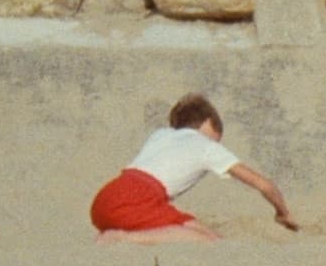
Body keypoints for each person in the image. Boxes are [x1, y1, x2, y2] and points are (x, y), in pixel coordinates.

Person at [89, 93, 297, 244]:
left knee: (203, 231)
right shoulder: (207, 146)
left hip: (106, 197)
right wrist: (282, 212)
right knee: (207, 241)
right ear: (208, 122)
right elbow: (264, 185)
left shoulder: (161, 135)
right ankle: (123, 238)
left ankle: (117, 233)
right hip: (137, 199)